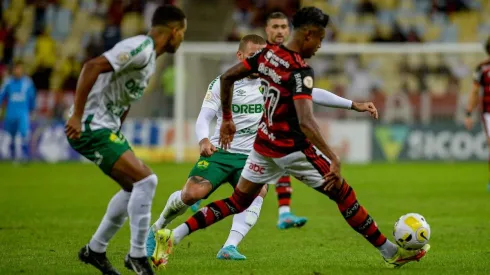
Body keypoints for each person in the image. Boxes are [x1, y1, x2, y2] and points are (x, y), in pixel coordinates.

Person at [153, 7, 430, 269]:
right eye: (319, 38)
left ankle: (172, 236)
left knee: (239, 201)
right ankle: (390, 253)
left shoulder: (268, 56)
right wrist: (333, 157)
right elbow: (307, 121)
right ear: (308, 34)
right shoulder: (299, 69)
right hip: (290, 148)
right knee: (344, 194)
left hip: (261, 146)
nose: (319, 46)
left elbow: (228, 76)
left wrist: (227, 118)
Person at [146, 34, 377, 264]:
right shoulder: (223, 82)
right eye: (252, 55)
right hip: (221, 152)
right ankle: (157, 227)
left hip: (254, 155)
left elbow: (313, 93)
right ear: (240, 56)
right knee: (192, 194)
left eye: (261, 55)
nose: (258, 60)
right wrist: (204, 140)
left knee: (256, 194)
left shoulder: (273, 79)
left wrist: (353, 105)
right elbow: (204, 116)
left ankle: (229, 246)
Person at [64, 5, 187, 275]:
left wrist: (118, 127)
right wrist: (77, 116)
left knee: (134, 188)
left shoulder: (149, 58)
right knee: (147, 180)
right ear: (174, 31)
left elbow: (123, 95)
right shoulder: (140, 47)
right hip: (90, 125)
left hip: (104, 127)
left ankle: (95, 250)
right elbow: (92, 66)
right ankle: (137, 256)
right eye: (182, 34)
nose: (181, 40)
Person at [464, 36, 490, 191]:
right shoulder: (482, 68)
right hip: (488, 113)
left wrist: (468, 113)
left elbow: (474, 92)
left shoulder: (482, 67)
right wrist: (468, 112)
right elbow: (474, 92)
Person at [0, 61, 36, 163]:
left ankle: (25, 156)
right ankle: (12, 155)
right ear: (13, 70)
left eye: (20, 68)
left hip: (23, 113)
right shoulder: (8, 82)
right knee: (11, 136)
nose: (18, 71)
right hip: (10, 113)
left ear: (22, 70)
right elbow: (2, 95)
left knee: (24, 134)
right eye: (16, 69)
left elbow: (32, 97)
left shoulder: (28, 83)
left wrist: (32, 109)